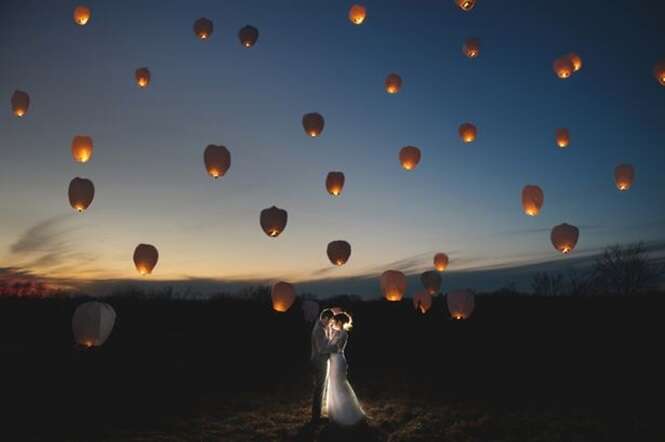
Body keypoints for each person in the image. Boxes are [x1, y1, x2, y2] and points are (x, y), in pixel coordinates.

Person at [324, 312, 366, 427]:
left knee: (339, 385)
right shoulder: (337, 333)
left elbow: (337, 349)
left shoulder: (343, 334)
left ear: (340, 322)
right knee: (333, 385)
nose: (333, 323)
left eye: (335, 321)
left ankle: (344, 413)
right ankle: (334, 411)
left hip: (338, 361)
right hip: (333, 361)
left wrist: (324, 349)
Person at [310, 308, 337, 424]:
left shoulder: (323, 326)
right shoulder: (319, 330)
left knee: (322, 387)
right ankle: (316, 418)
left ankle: (318, 415)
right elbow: (322, 348)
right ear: (325, 318)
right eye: (330, 321)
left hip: (322, 360)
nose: (330, 324)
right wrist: (335, 348)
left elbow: (328, 339)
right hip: (319, 361)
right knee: (319, 388)